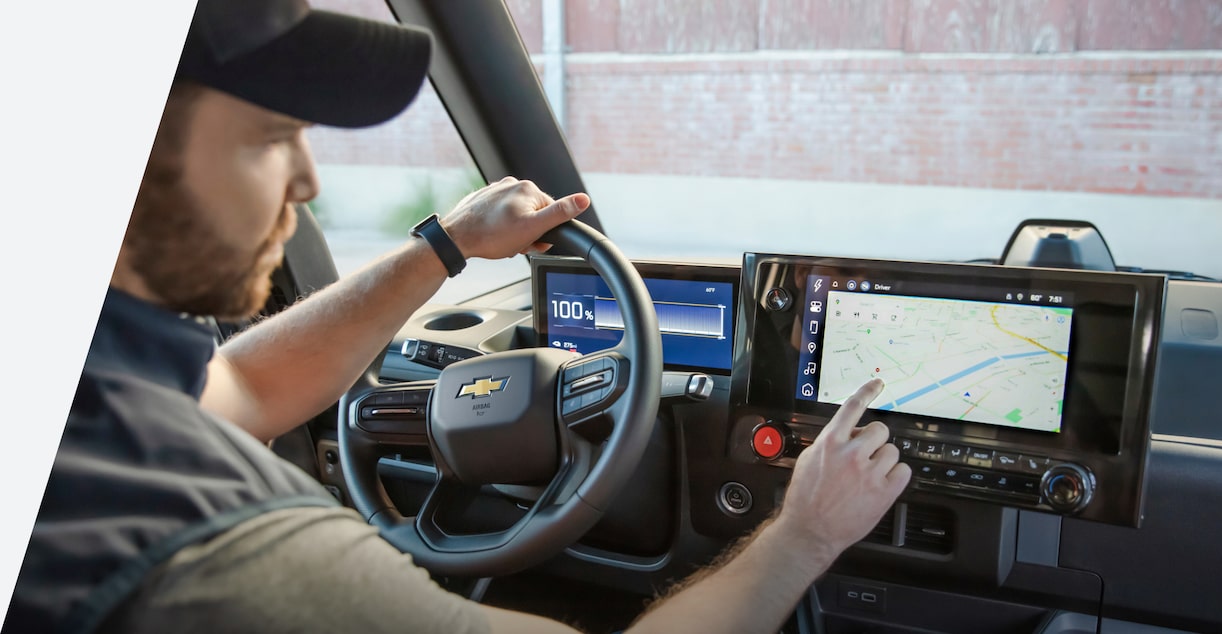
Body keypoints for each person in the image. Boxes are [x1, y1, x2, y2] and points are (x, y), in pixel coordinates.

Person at [4, 1, 910, 632]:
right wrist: (805, 533)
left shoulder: (94, 388)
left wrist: (446, 244)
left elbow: (237, 382)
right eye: (275, 138)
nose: (309, 181)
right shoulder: (209, 559)